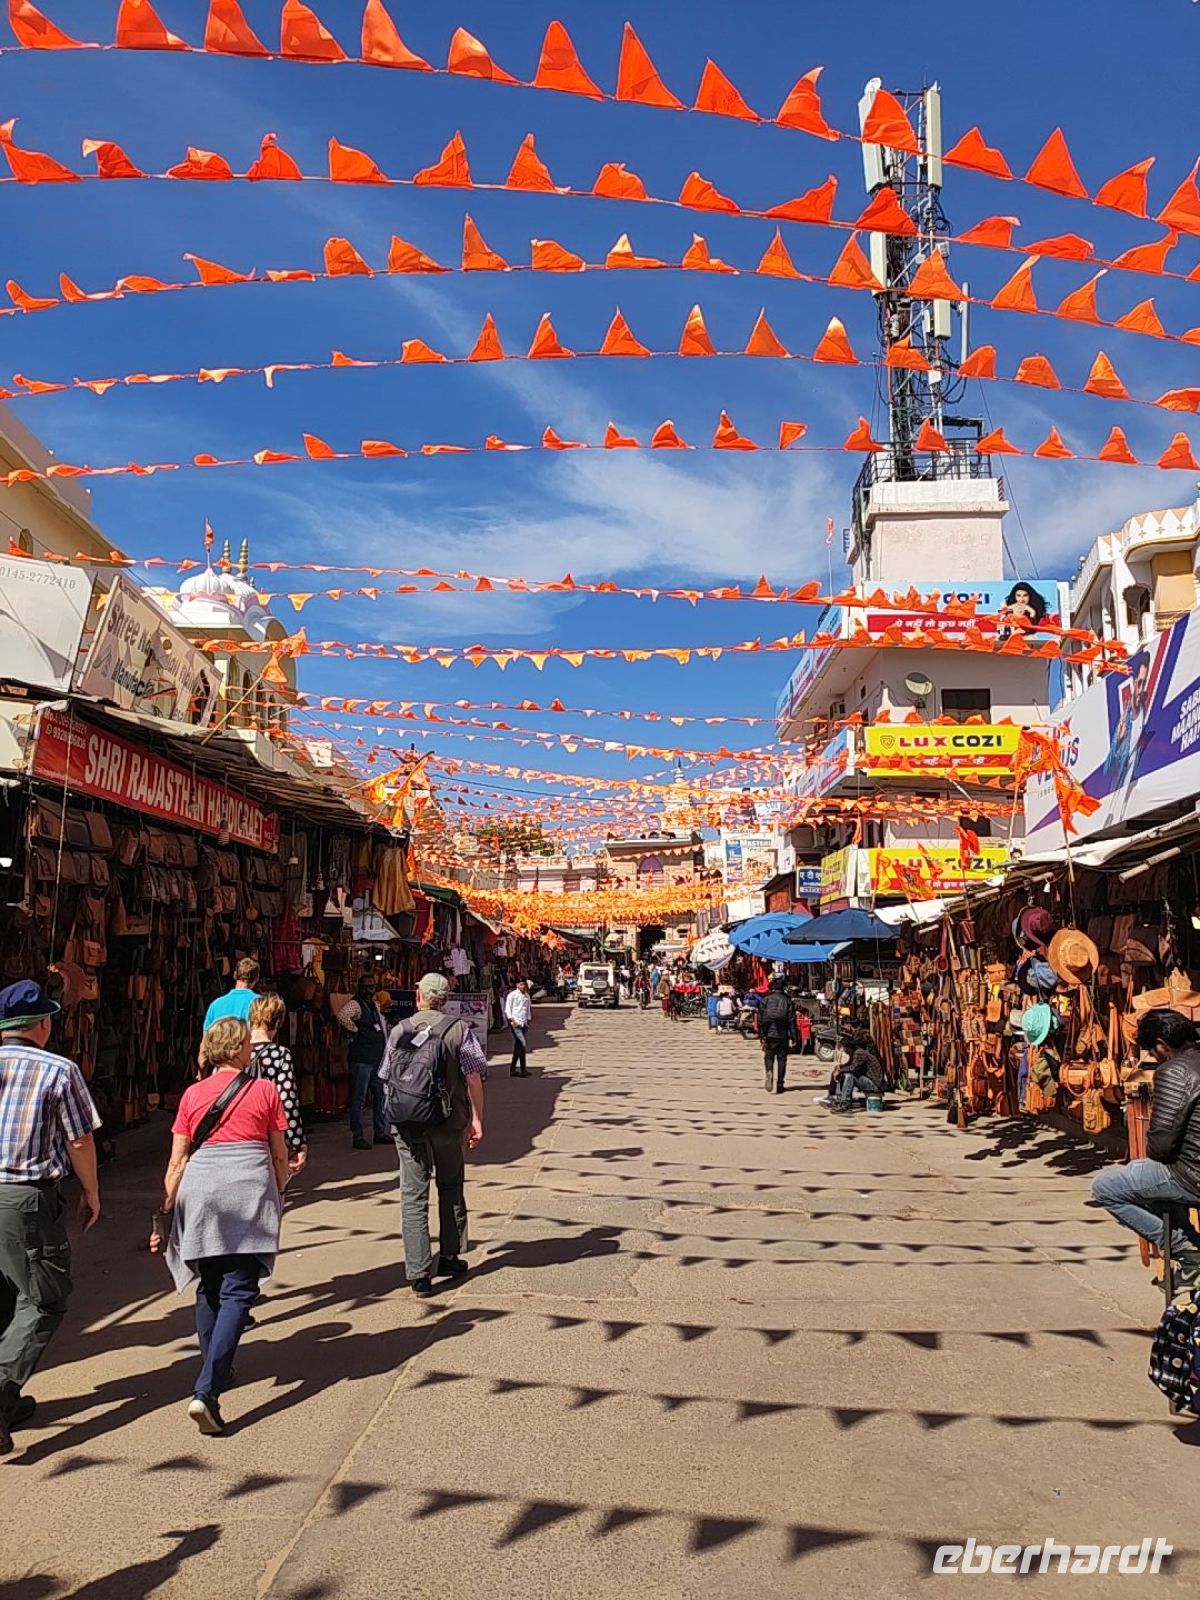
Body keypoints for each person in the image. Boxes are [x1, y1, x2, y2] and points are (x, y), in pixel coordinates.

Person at [151, 1016, 288, 1436]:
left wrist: (166, 1211)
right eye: (247, 1044)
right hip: (247, 1190)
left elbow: (177, 1160)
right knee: (239, 1289)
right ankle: (207, 1390)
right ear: (240, 1049)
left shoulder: (192, 1095)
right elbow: (279, 1153)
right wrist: (279, 1188)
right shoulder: (264, 1090)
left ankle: (216, 1369)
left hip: (201, 1190)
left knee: (209, 1284)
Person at [0, 981, 101, 1456]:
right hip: (24, 1199)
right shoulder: (58, 1070)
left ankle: (8, 1400)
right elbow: (79, 1139)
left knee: (6, 1296)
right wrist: (91, 1191)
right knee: (44, 1299)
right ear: (42, 1024)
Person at [383, 972, 485, 1297]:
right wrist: (477, 1118)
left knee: (413, 1195)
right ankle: (450, 1257)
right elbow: (474, 1076)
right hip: (447, 1122)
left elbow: (386, 1075)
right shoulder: (459, 1030)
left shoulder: (400, 1029)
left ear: (419, 997)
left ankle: (419, 1273)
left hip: (408, 1123)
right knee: (450, 1185)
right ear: (445, 999)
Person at [1092, 1009, 1200, 1287]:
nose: (1154, 1056)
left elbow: (1160, 1147)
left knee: (1106, 1188)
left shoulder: (1173, 1071)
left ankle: (1188, 1251)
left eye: (1153, 1051)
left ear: (1162, 1045)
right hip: (1190, 1169)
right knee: (1143, 1175)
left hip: (1192, 1175)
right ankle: (1190, 1243)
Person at [249, 994, 307, 1175]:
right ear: (278, 1021)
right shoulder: (280, 1054)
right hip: (267, 1132)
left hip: (237, 1131)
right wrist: (297, 1143)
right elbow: (287, 1101)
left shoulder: (237, 1051)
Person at [338, 975, 389, 1150]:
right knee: (359, 1098)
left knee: (379, 1096)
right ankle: (358, 1135)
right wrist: (355, 1030)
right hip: (361, 1059)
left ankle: (380, 1132)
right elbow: (342, 1016)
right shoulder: (356, 1004)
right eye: (365, 987)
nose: (369, 990)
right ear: (359, 988)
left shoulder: (374, 1005)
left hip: (376, 1058)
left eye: (371, 987)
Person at [830, 1028, 885, 1112]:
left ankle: (845, 1103)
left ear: (849, 1047)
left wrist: (840, 1070)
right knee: (843, 1074)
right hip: (869, 1081)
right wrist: (839, 1069)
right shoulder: (856, 1053)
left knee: (849, 1076)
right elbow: (850, 1066)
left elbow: (853, 1069)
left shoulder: (859, 1053)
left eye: (844, 1048)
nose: (844, 1050)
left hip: (875, 1085)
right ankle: (839, 1099)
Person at [758, 977, 798, 1095]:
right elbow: (792, 1020)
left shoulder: (765, 1000)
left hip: (769, 1034)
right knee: (782, 1059)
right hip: (782, 1034)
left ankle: (769, 1071)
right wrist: (794, 1037)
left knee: (768, 1057)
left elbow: (760, 1020)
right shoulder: (788, 1001)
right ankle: (780, 1084)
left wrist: (762, 1036)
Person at [202, 957, 260, 1034]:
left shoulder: (215, 1005)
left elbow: (205, 1039)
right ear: (256, 978)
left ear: (235, 975)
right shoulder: (260, 1003)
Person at [504, 979, 532, 1078]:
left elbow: (528, 1009)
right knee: (522, 1044)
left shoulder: (527, 996)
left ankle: (513, 1069)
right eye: (521, 984)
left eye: (524, 984)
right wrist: (512, 1020)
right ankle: (523, 1069)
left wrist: (528, 1020)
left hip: (524, 1023)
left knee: (518, 1047)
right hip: (515, 1024)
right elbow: (508, 1009)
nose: (523, 986)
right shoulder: (512, 995)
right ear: (517, 985)